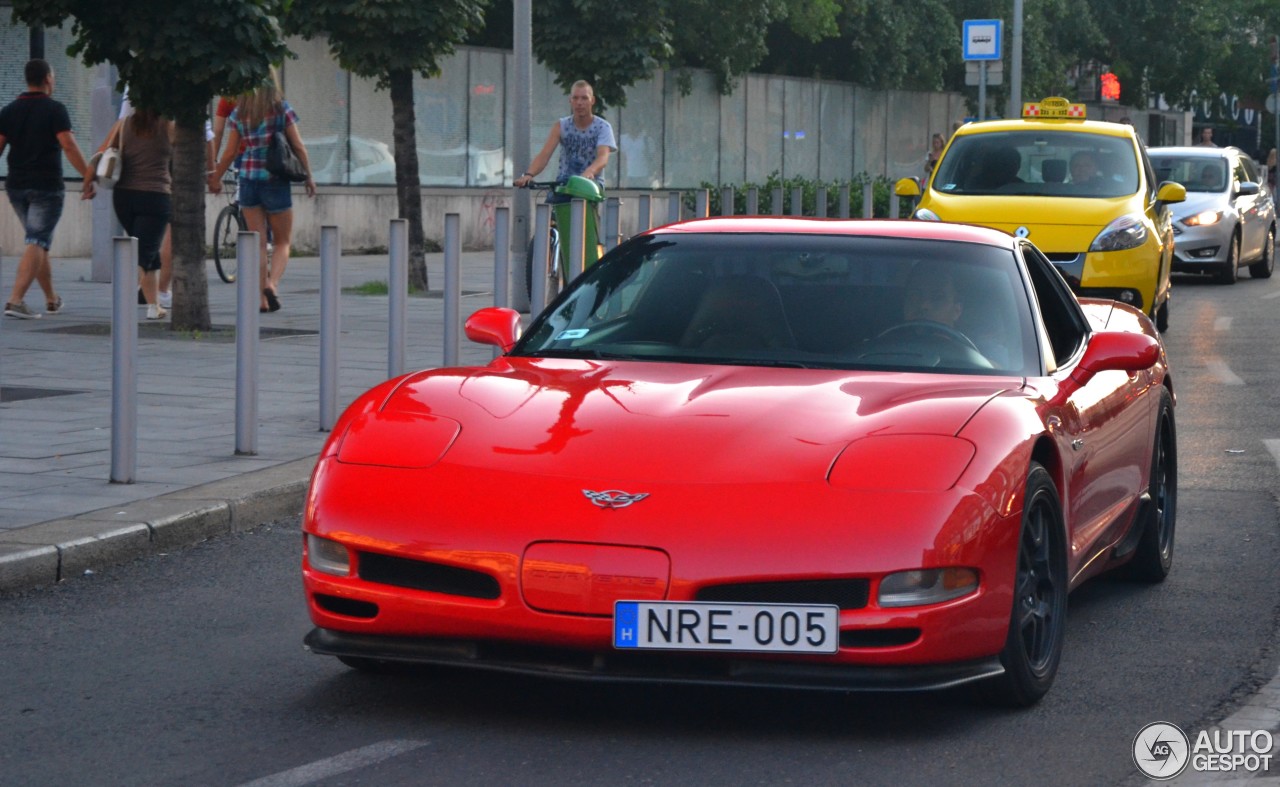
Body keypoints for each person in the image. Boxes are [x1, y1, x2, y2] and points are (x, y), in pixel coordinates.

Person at [207, 68, 316, 312]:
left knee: (257, 243)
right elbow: (298, 146)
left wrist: (215, 177)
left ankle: (261, 300)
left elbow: (230, 151)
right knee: (282, 242)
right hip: (275, 179)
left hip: (247, 181)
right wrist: (309, 177)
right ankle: (272, 284)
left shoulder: (239, 112)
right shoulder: (281, 108)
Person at [0, 59, 95, 319]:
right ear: (48, 79)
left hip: (16, 186)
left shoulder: (9, 111)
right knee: (37, 240)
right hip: (46, 186)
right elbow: (68, 145)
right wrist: (88, 175)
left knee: (38, 241)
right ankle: (15, 301)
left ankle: (51, 299)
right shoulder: (55, 110)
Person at [90, 107, 175, 319]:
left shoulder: (124, 123)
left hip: (124, 198)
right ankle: (123, 302)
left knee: (147, 252)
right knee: (144, 253)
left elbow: (105, 151)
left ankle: (153, 306)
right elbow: (181, 154)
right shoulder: (168, 124)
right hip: (155, 197)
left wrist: (87, 179)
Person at [513, 80, 616, 191]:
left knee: (584, 199)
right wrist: (529, 174)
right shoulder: (561, 126)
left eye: (584, 98)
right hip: (565, 182)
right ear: (570, 100)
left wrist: (589, 172)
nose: (579, 103)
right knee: (554, 199)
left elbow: (603, 157)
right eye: (575, 98)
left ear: (592, 100)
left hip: (591, 184)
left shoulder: (603, 127)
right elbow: (545, 154)